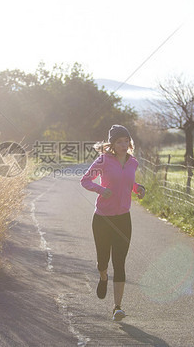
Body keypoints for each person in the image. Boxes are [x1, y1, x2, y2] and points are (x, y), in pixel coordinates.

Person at [80, 124, 145, 321]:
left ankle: (117, 307)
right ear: (112, 144)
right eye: (119, 141)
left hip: (124, 218)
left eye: (126, 141)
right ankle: (103, 277)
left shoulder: (133, 162)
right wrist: (101, 190)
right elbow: (85, 181)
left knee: (120, 262)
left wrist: (137, 188)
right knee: (103, 260)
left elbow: (127, 182)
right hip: (102, 218)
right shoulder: (103, 161)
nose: (124, 144)